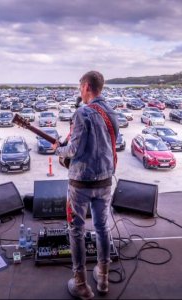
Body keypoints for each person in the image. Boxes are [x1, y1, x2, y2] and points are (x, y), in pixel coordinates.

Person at [52, 71, 119, 299]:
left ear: (87, 86)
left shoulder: (82, 113)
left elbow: (74, 150)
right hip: (105, 181)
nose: (79, 91)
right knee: (102, 228)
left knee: (77, 230)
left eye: (80, 86)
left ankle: (81, 284)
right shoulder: (111, 112)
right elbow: (109, 144)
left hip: (80, 183)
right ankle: (103, 278)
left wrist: (58, 150)